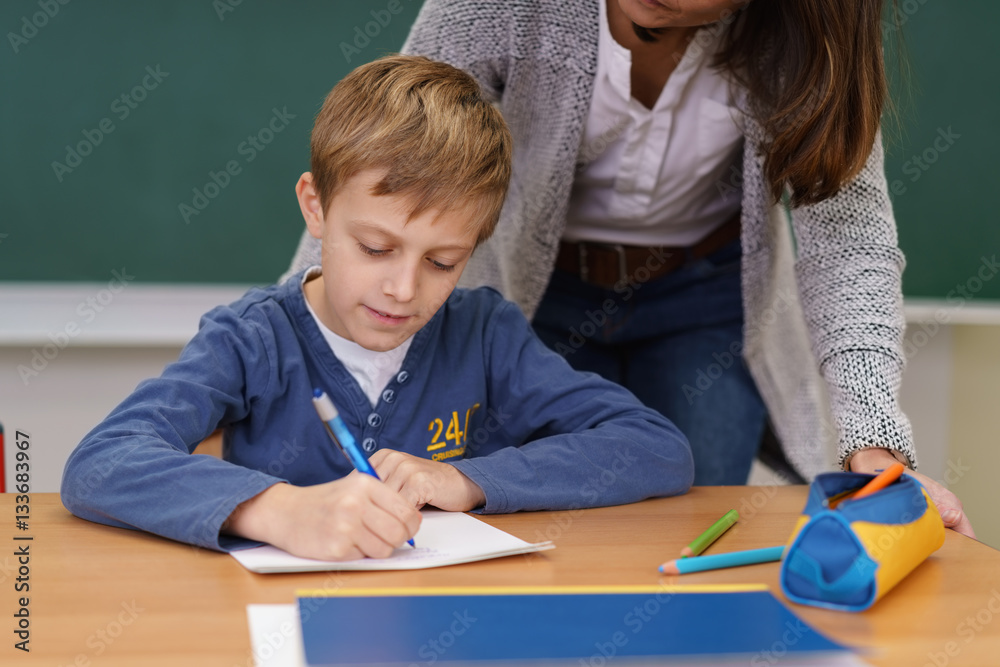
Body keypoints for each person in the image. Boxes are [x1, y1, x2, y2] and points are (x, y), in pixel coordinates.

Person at [283, 0, 974, 536]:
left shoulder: (806, 46)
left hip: (706, 304)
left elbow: (848, 241)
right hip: (535, 298)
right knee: (530, 518)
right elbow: (384, 157)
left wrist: (876, 445)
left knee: (688, 525)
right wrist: (299, 343)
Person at [60, 54, 694, 561]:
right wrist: (278, 510)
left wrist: (469, 481)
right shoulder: (252, 340)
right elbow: (103, 463)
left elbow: (655, 447)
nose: (402, 288)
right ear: (316, 207)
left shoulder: (484, 334)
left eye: (443, 262)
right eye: (375, 247)